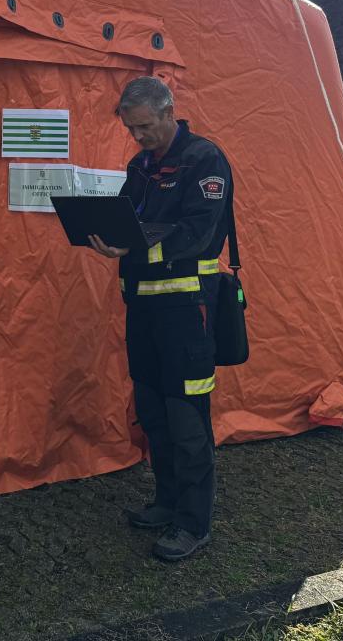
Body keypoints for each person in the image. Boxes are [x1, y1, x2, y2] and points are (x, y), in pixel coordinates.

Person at [87, 76, 234, 562]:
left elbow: (199, 233)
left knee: (187, 418)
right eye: (132, 129)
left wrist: (138, 247)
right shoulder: (141, 164)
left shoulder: (204, 160)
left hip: (186, 311)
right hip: (144, 311)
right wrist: (106, 234)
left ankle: (193, 524)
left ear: (170, 112)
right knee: (153, 411)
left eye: (145, 126)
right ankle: (167, 501)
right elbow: (129, 218)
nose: (139, 137)